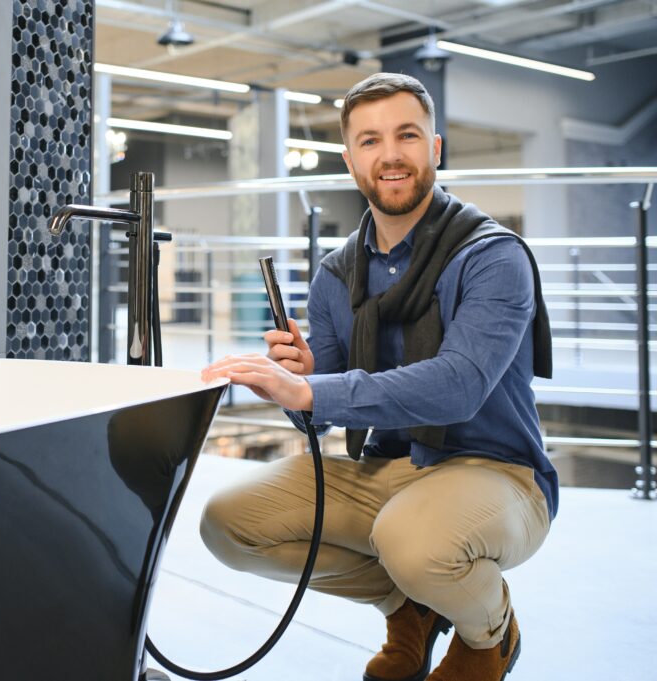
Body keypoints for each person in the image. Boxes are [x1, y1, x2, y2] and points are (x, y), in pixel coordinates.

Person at [199, 72, 558, 681]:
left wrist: (316, 388)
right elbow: (323, 407)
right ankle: (409, 609)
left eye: (406, 135)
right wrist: (301, 382)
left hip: (496, 472)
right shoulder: (336, 276)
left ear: (434, 148)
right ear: (349, 159)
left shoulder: (494, 256)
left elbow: (459, 384)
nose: (389, 155)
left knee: (413, 540)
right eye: (369, 141)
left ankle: (489, 633)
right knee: (229, 525)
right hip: (386, 474)